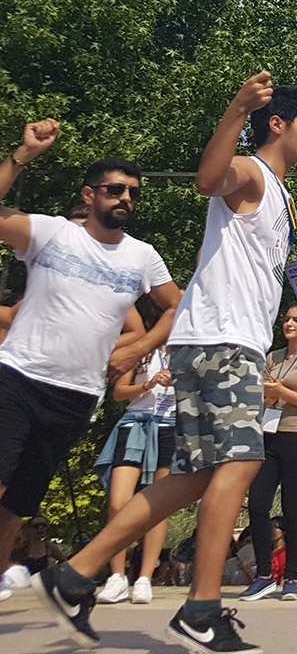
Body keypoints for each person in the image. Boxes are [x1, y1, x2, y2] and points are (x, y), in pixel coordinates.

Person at [41, 75, 297, 654]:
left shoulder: (278, 193)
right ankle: (199, 609)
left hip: (210, 342)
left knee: (197, 477)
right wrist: (236, 109)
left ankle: (75, 575)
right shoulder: (250, 171)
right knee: (244, 462)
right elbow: (207, 180)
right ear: (279, 124)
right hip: (224, 344)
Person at [0, 124, 182, 605]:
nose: (125, 198)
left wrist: (139, 349)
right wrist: (22, 156)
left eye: (133, 193)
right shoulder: (49, 233)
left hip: (77, 394)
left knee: (22, 494)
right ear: (89, 194)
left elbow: (178, 306)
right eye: (115, 189)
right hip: (18, 374)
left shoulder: (142, 257)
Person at [242, 303, 297, 602]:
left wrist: (283, 393)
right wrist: (270, 394)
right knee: (257, 504)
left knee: (293, 507)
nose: (289, 324)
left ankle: (291, 575)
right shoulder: (273, 357)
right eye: (287, 319)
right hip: (268, 435)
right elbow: (264, 395)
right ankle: (264, 574)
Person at [92, 332, 176, 606]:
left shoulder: (190, 348)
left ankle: (144, 578)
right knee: (119, 501)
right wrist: (148, 384)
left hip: (170, 426)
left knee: (158, 505)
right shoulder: (141, 347)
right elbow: (118, 392)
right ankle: (117, 576)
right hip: (135, 425)